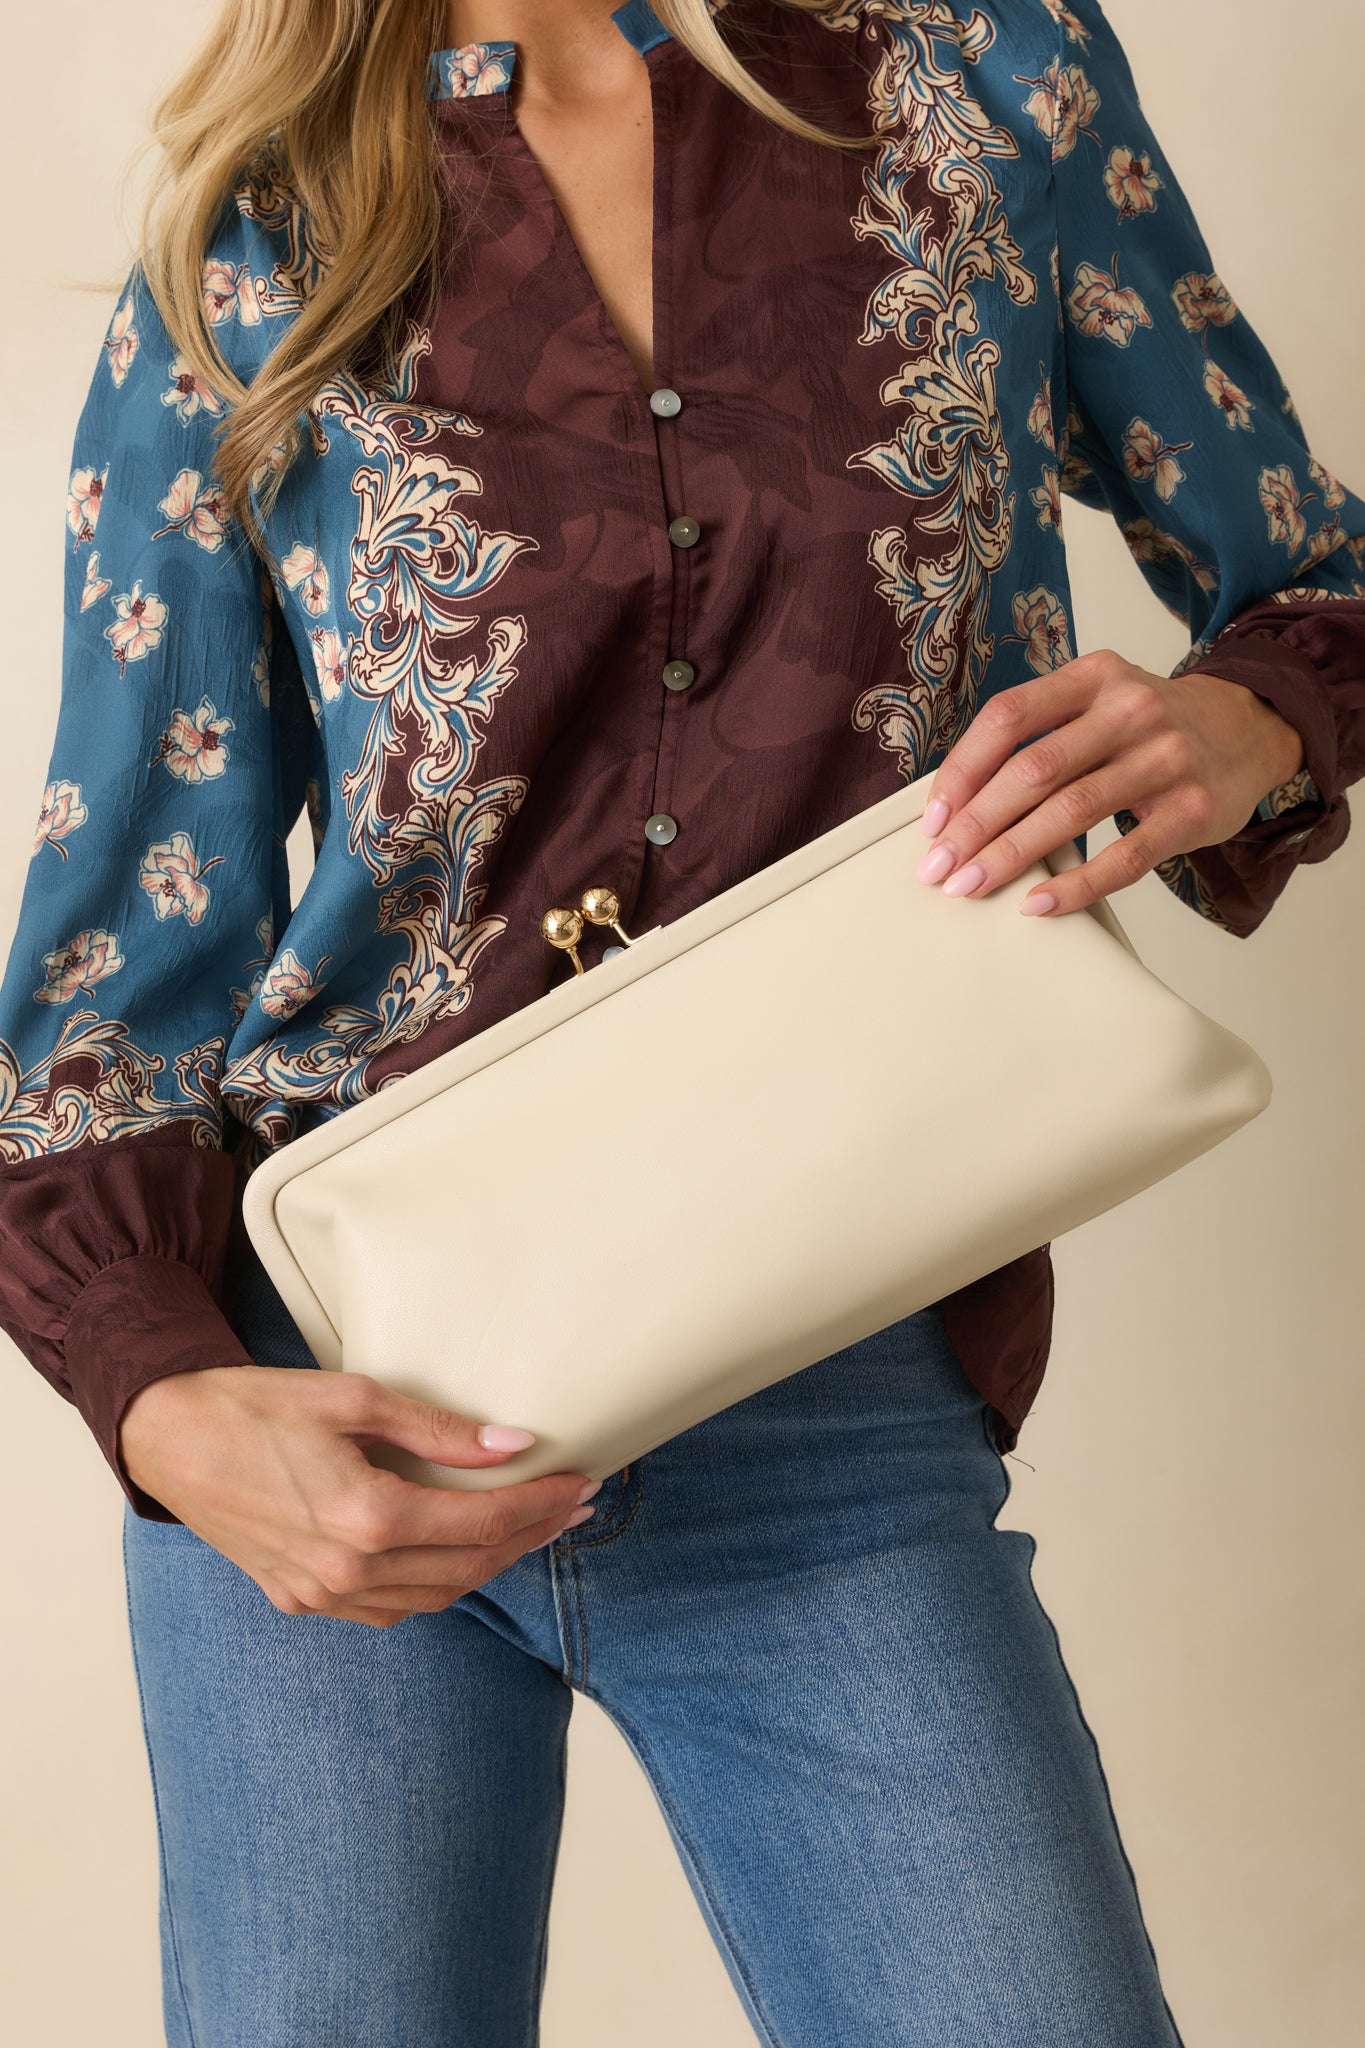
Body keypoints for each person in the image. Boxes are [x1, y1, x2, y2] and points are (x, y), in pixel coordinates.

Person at [1, 1, 1361, 2041]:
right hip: (326, 1414)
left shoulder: (978, 78)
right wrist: (163, 1400)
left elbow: (1317, 576)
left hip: (828, 1411)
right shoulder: (256, 247)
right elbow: (117, 953)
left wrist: (1237, 720)